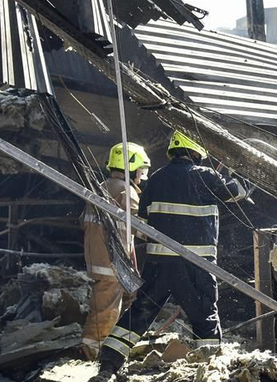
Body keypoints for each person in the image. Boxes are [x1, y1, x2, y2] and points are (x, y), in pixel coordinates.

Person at [99, 130, 250, 367]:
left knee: (142, 310)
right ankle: (208, 366)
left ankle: (109, 358)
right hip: (196, 263)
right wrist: (239, 171)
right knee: (204, 314)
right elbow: (238, 193)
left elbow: (146, 221)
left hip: (159, 262)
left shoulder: (157, 178)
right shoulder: (206, 176)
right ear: (196, 150)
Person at [80, 142, 149, 359]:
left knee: (129, 298)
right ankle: (92, 352)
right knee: (106, 309)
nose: (141, 177)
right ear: (130, 168)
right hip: (111, 262)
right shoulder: (126, 191)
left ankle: (117, 344)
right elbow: (139, 226)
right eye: (140, 171)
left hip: (101, 258)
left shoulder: (102, 186)